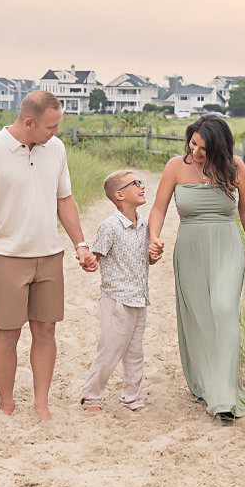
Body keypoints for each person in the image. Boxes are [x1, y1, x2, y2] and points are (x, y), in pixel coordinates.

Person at [0, 90, 97, 421]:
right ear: (29, 122)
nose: (56, 133)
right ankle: (6, 403)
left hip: (49, 254)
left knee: (46, 330)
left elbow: (65, 199)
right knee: (8, 333)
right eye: (51, 127)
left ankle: (41, 403)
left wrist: (80, 243)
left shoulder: (56, 149)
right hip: (6, 256)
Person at [147, 113, 245, 420]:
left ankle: (224, 395)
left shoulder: (235, 167)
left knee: (223, 310)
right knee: (198, 318)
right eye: (193, 144)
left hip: (226, 246)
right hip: (190, 248)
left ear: (219, 149)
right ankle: (206, 383)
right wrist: (153, 238)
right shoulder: (175, 166)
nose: (195, 153)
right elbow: (158, 208)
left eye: (204, 150)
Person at [78, 170, 161, 413]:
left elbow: (147, 260)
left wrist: (154, 255)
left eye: (142, 182)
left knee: (135, 353)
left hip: (139, 298)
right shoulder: (110, 227)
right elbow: (96, 256)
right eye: (135, 183)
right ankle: (91, 397)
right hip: (116, 300)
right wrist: (88, 261)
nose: (142, 186)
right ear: (119, 195)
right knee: (110, 350)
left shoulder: (145, 225)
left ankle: (131, 398)